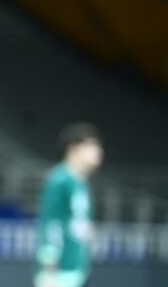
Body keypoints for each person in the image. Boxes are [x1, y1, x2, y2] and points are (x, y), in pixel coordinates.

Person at [35, 123, 104, 287]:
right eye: (92, 145)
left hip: (77, 268)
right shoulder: (59, 180)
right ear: (73, 148)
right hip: (60, 273)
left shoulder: (80, 183)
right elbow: (51, 222)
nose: (99, 151)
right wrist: (48, 269)